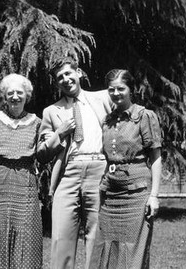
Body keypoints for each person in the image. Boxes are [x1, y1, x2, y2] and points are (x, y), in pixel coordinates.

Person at [37, 57, 113, 269]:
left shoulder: (104, 99)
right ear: (56, 83)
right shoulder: (51, 111)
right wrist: (59, 133)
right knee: (62, 237)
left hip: (99, 169)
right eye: (60, 77)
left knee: (97, 236)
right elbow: (42, 154)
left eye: (68, 74)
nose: (65, 79)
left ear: (78, 73)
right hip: (68, 174)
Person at [91, 69, 162, 268]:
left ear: (131, 90)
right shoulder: (108, 120)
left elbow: (155, 157)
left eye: (121, 88)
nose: (116, 93)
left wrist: (154, 196)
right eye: (111, 89)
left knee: (133, 250)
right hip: (111, 194)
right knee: (108, 247)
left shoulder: (144, 116)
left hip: (136, 193)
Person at [0, 73, 43, 269]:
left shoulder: (37, 122)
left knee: (25, 233)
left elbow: (42, 156)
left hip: (25, 183)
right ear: (4, 97)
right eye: (10, 93)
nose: (15, 97)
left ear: (27, 96)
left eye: (19, 93)